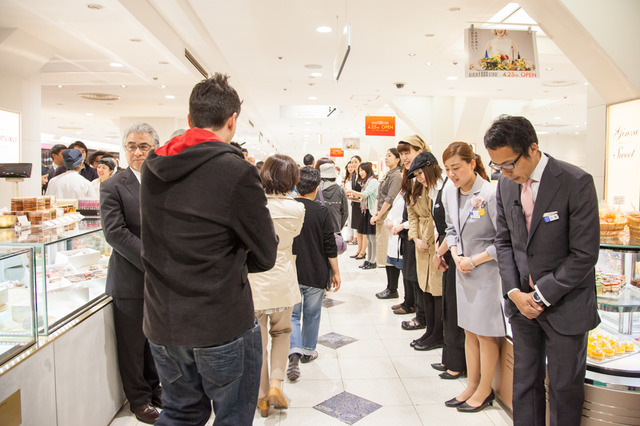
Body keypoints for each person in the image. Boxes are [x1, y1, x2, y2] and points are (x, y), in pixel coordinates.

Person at [139, 73, 279, 426]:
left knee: (179, 414)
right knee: (232, 416)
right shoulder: (236, 171)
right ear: (232, 121)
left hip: (162, 321)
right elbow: (266, 253)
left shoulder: (152, 168)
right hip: (220, 323)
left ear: (189, 120)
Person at [484, 115, 600, 426]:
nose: (505, 173)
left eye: (509, 164)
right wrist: (514, 292)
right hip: (522, 304)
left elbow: (585, 254)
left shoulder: (575, 182)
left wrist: (541, 294)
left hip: (565, 305)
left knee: (563, 389)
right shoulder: (506, 186)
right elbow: (504, 242)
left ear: (533, 148)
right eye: (498, 167)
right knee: (524, 385)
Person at [100, 123, 162, 425]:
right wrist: (152, 260)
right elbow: (115, 233)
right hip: (130, 278)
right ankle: (138, 400)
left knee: (154, 341)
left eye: (143, 146)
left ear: (155, 148)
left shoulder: (163, 180)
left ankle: (155, 388)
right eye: (131, 146)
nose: (137, 152)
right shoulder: (113, 185)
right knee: (132, 345)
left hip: (161, 280)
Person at [442, 142, 505, 413]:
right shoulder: (451, 193)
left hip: (488, 272)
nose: (452, 174)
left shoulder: (490, 193)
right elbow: (450, 229)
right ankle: (472, 384)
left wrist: (473, 260)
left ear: (471, 163)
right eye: (447, 169)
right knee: (469, 329)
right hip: (463, 270)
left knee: (485, 333)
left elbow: (503, 240)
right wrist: (455, 256)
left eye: (456, 168)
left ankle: (485, 389)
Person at [249, 154, 305, 418]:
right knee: (282, 333)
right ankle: (275, 385)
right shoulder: (298, 208)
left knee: (258, 341)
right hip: (283, 278)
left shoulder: (253, 206)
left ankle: (261, 398)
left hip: (255, 281)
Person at [287, 167, 341, 381]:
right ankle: (309, 351)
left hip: (291, 271)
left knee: (292, 315)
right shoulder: (322, 211)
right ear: (317, 188)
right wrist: (336, 272)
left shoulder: (288, 209)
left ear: (296, 186)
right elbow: (330, 244)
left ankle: (294, 349)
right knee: (312, 314)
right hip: (316, 272)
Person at [406, 152, 444, 352]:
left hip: (434, 243)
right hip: (420, 243)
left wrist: (426, 239)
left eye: (422, 173)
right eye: (416, 174)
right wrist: (415, 237)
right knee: (425, 288)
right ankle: (430, 330)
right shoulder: (419, 188)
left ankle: (438, 333)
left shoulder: (441, 188)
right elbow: (411, 212)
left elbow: (434, 217)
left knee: (437, 289)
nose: (420, 178)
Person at [391, 135, 424, 319]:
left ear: (419, 151)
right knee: (408, 270)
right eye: (401, 153)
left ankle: (419, 312)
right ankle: (409, 303)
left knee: (416, 275)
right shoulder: (408, 174)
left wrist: (403, 225)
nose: (404, 157)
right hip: (408, 230)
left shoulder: (422, 175)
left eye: (407, 152)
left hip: (418, 233)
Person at [373, 148, 403, 298]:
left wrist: (380, 215)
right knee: (384, 253)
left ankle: (392, 288)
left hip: (389, 217)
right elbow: (379, 195)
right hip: (382, 216)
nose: (386, 158)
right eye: (386, 156)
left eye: (389, 156)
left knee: (389, 254)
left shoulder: (397, 175)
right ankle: (390, 287)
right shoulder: (388, 174)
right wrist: (376, 213)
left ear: (398, 159)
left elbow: (390, 198)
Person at [346, 162, 378, 269]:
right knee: (368, 237)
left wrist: (352, 191)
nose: (360, 173)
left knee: (372, 238)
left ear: (367, 170)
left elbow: (365, 194)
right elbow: (363, 197)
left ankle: (373, 261)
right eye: (359, 171)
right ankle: (369, 259)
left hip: (371, 212)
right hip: (365, 211)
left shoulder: (373, 181)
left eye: (362, 170)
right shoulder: (365, 182)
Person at [316, 162, 349, 237]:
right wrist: (338, 226)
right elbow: (345, 212)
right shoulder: (340, 190)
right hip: (335, 230)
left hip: (318, 231)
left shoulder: (316, 190)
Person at [347, 156, 365, 254]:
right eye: (352, 162)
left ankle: (363, 251)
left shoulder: (363, 175)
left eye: (355, 162)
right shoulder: (353, 175)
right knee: (357, 228)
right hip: (355, 203)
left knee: (363, 229)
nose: (353, 164)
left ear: (360, 162)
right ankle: (359, 249)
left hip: (362, 204)